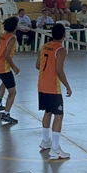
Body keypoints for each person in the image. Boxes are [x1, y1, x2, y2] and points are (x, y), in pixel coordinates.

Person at [37, 23, 71, 160]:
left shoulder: (45, 46)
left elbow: (37, 65)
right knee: (59, 115)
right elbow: (59, 70)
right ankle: (55, 149)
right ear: (64, 35)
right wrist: (67, 86)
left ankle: (46, 141)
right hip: (52, 87)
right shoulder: (61, 50)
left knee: (48, 111)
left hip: (41, 84)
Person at [0, 17, 20, 124]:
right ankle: (6, 114)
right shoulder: (12, 38)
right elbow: (7, 56)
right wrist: (14, 67)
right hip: (3, 67)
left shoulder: (3, 35)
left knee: (4, 82)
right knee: (12, 92)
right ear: (15, 27)